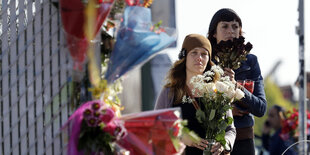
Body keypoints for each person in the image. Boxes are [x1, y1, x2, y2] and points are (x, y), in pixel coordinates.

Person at [155, 34, 236, 155]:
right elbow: (157, 126)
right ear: (184, 56)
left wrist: (224, 142)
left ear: (208, 59)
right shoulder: (170, 92)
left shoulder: (218, 91)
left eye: (204, 54)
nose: (199, 58)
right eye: (194, 53)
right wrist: (181, 136)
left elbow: (230, 129)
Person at [207, 8, 267, 155]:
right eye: (225, 26)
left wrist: (236, 86)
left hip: (243, 140)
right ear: (214, 33)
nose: (231, 31)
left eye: (235, 26)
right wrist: (225, 111)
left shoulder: (251, 61)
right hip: (213, 141)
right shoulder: (205, 61)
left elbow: (261, 108)